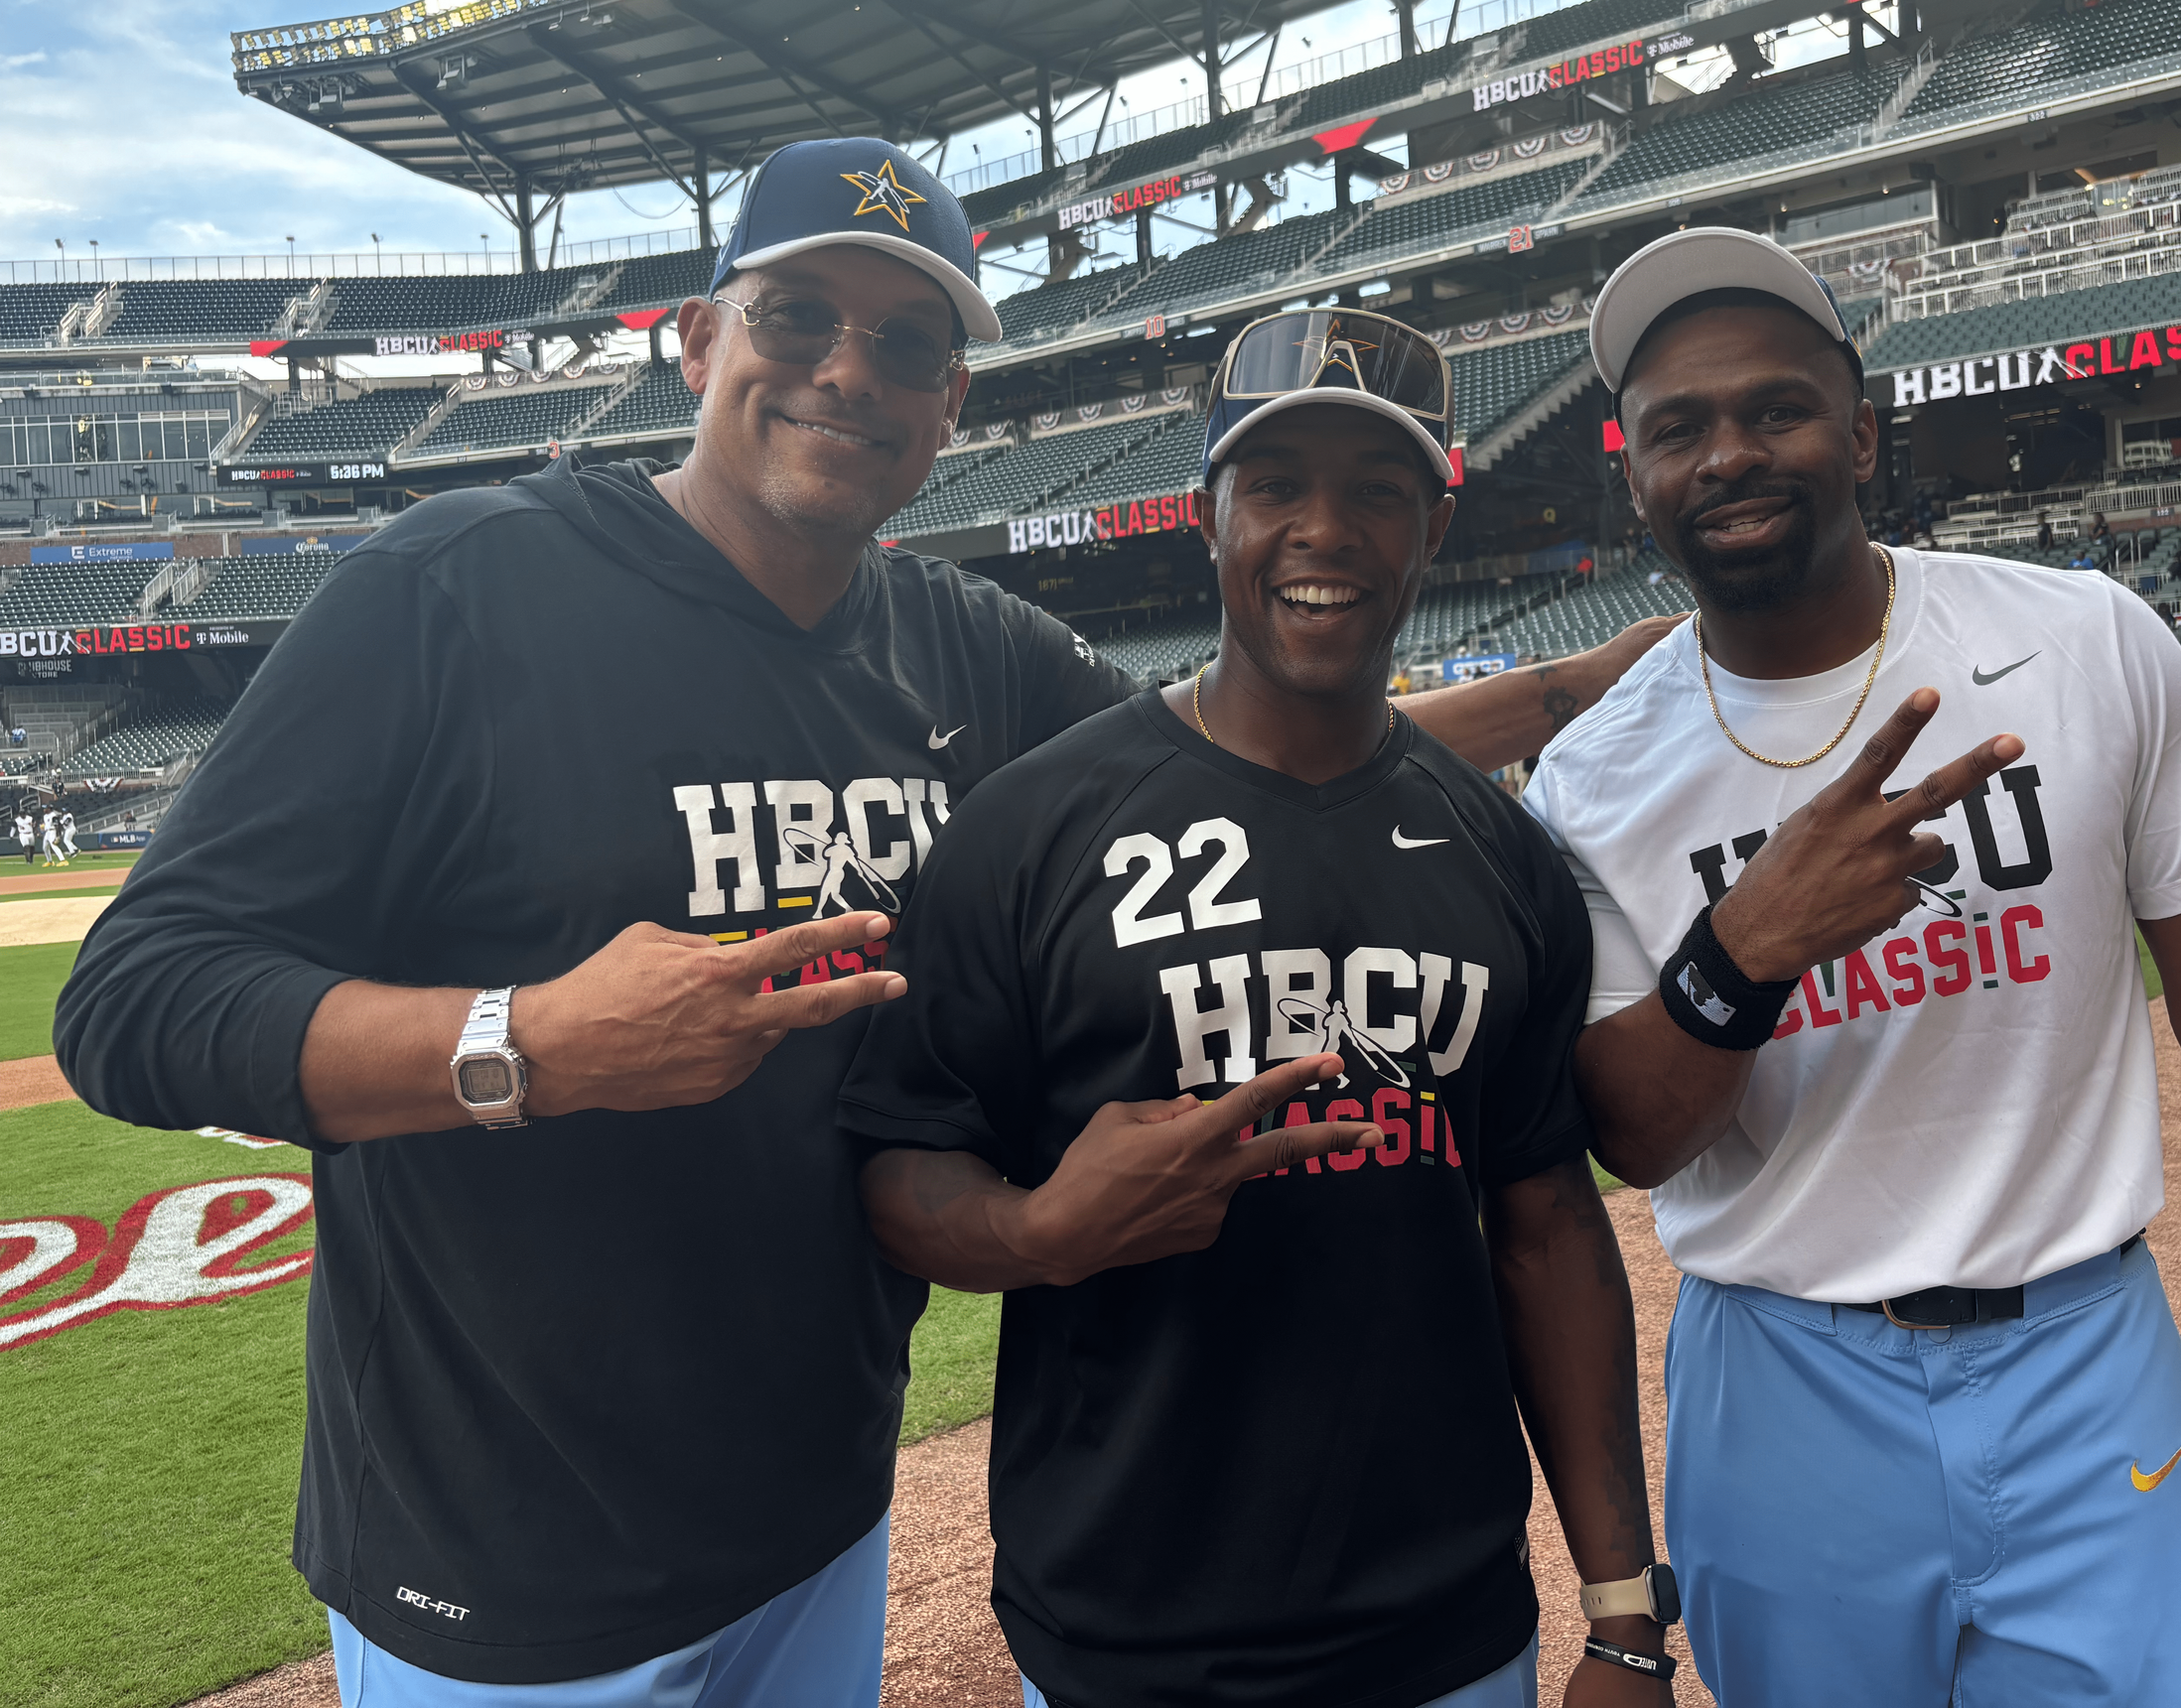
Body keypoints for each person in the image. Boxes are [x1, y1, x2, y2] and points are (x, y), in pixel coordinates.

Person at [55, 140, 1669, 1704]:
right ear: (696, 341)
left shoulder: (973, 656)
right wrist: (527, 1042)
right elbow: (133, 1002)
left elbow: (1254, 754)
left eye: (906, 342)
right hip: (507, 1550)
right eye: (798, 318)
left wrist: (1584, 688)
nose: (850, 370)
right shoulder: (457, 590)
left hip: (814, 1512)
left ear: (947, 403)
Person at [1522, 225, 2181, 1706]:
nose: (1728, 452)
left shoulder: (2082, 637)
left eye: (1775, 407)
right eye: (1677, 429)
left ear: (1862, 426)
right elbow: (1631, 1134)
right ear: (1630, 468)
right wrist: (1747, 949)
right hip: (1780, 1375)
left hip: (2082, 1349)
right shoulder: (1592, 775)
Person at [844, 315, 1677, 1707]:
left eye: (1376, 487)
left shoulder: (1505, 853)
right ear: (1204, 512)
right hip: (1126, 1629)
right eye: (1277, 481)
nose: (1323, 528)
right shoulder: (1032, 829)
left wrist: (1621, 1613)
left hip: (1448, 1632)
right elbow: (901, 1160)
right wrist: (1041, 1227)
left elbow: (1546, 1225)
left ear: (1430, 525)